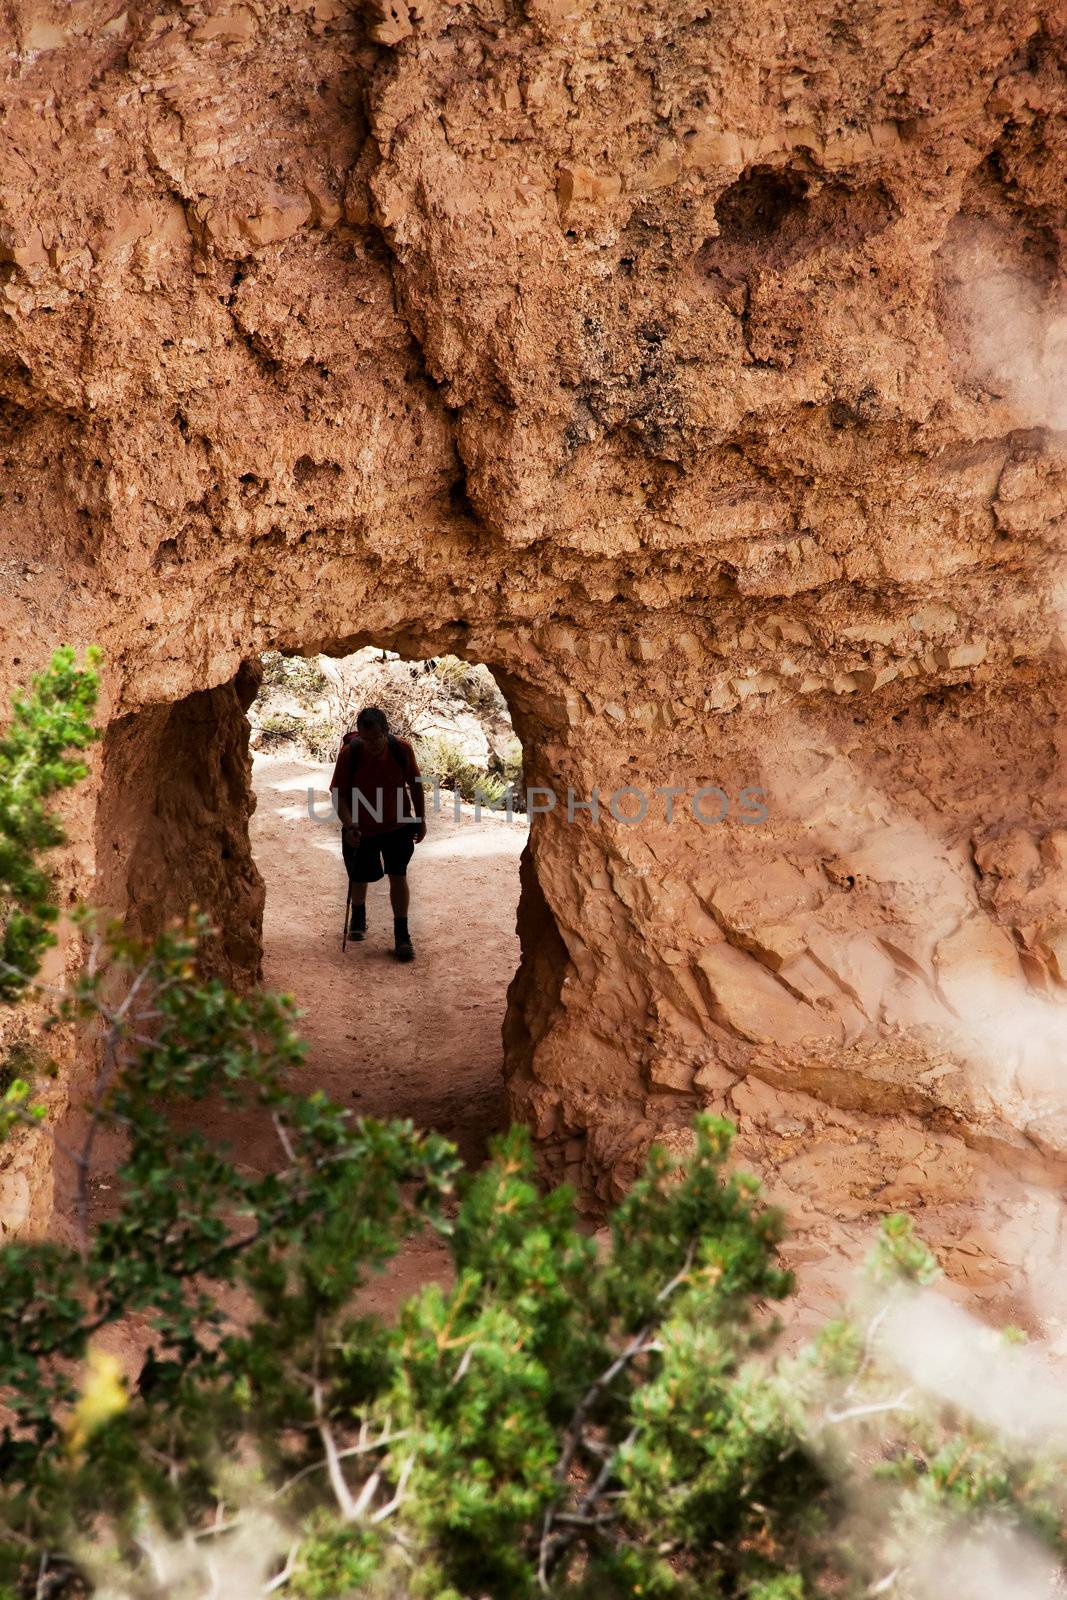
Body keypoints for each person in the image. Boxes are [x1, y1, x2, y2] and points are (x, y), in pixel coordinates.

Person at [329, 706, 426, 962]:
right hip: (361, 827)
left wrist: (419, 819)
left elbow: (415, 785)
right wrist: (350, 826)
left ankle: (401, 935)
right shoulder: (351, 752)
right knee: (359, 875)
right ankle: (358, 918)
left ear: (386, 731)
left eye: (375, 738)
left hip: (397, 825)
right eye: (365, 738)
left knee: (398, 875)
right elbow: (338, 796)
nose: (370, 744)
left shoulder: (401, 750)